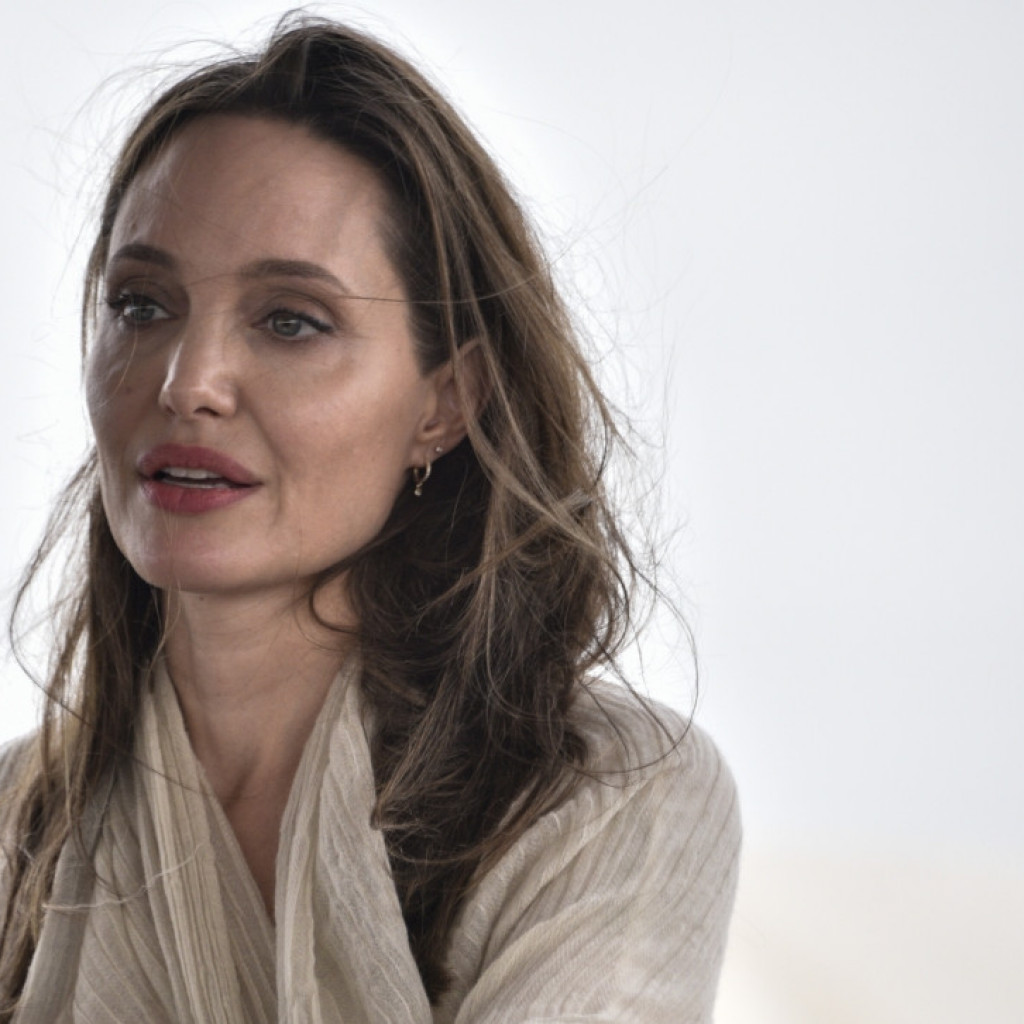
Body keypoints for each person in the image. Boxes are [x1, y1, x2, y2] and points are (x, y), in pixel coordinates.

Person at [0, 16, 739, 1023]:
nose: (187, 381)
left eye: (290, 321)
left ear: (444, 402)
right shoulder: (22, 827)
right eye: (141, 304)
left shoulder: (605, 800)